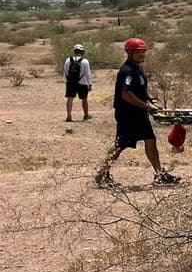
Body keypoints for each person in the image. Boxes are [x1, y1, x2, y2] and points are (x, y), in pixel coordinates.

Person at [94, 37, 181, 188]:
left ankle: (159, 174)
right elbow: (126, 94)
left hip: (139, 113)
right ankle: (102, 173)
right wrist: (146, 105)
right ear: (129, 52)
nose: (142, 55)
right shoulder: (126, 71)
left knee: (150, 139)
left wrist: (150, 100)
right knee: (120, 144)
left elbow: (139, 90)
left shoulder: (138, 68)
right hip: (128, 114)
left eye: (143, 51)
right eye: (139, 52)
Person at [63, 43, 92, 122]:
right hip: (82, 83)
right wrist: (89, 84)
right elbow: (87, 74)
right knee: (84, 99)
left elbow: (65, 71)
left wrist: (66, 80)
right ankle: (86, 115)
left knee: (70, 99)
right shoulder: (85, 61)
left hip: (70, 82)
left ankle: (69, 116)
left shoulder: (68, 60)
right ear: (82, 52)